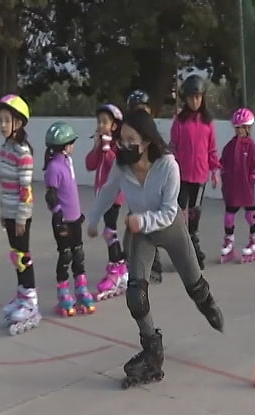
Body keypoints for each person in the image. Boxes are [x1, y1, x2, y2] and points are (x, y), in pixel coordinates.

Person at [87, 109, 225, 389]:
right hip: (141, 234)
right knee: (136, 293)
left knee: (194, 284)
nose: (123, 145)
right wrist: (92, 220)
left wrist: (142, 219)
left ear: (147, 140)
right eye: (121, 139)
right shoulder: (122, 165)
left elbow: (169, 210)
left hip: (169, 227)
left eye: (130, 139)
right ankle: (152, 351)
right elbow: (108, 191)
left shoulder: (167, 166)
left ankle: (208, 304)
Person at [0, 94, 41, 335]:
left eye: (7, 121)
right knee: (16, 255)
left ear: (19, 123)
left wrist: (22, 217)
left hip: (21, 214)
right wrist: (4, 213)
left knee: (23, 256)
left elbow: (26, 189)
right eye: (0, 120)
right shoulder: (6, 148)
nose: (2, 125)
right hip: (10, 212)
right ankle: (21, 295)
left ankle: (31, 301)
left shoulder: (22, 151)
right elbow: (6, 186)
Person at [43, 121, 97, 316]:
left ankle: (81, 289)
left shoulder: (67, 162)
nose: (73, 146)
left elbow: (71, 193)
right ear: (64, 146)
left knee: (78, 255)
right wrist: (58, 214)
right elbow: (51, 195)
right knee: (65, 255)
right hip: (62, 221)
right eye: (71, 143)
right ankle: (63, 293)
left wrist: (77, 213)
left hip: (75, 220)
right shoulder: (54, 167)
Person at [169, 74, 221, 269]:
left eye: (198, 97)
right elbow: (173, 146)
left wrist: (215, 171)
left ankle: (194, 240)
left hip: (200, 176)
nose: (195, 101)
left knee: (195, 211)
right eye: (191, 97)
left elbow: (212, 150)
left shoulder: (208, 123)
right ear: (186, 99)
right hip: (181, 176)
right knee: (181, 211)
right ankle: (182, 248)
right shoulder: (179, 122)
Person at [85, 104, 129, 301]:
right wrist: (97, 148)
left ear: (114, 126)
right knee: (108, 231)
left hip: (114, 195)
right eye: (99, 122)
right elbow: (89, 165)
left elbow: (117, 165)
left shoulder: (117, 146)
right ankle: (119, 266)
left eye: (105, 122)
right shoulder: (101, 146)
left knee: (109, 230)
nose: (101, 126)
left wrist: (107, 148)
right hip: (101, 194)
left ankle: (117, 268)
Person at [125, 89, 164, 284]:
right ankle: (128, 265)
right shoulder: (128, 134)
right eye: (136, 111)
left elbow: (164, 154)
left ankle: (154, 266)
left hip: (152, 185)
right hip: (135, 187)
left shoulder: (153, 134)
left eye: (144, 110)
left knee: (151, 226)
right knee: (133, 227)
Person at [219, 107, 255, 263]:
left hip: (246, 188)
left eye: (242, 128)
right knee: (229, 216)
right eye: (236, 128)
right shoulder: (230, 146)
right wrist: (223, 175)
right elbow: (222, 162)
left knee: (251, 215)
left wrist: (253, 177)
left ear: (248, 128)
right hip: (232, 188)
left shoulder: (251, 146)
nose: (239, 131)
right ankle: (229, 242)